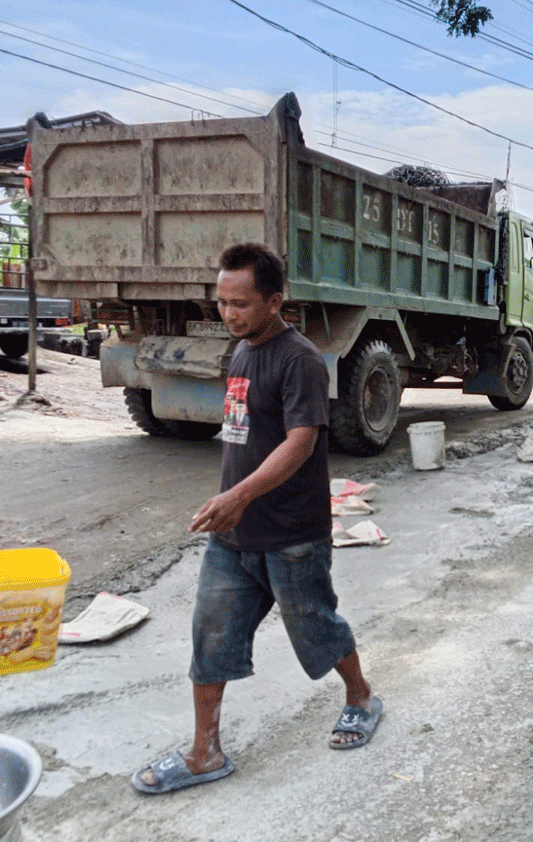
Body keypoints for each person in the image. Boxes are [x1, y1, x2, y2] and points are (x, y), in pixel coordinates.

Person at [132, 242, 381, 796]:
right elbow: (247, 436)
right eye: (221, 302)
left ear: (275, 299)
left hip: (292, 533)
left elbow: (300, 442)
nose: (229, 314)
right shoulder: (241, 353)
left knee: (316, 626)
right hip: (233, 534)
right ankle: (205, 751)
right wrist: (231, 503)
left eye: (241, 303)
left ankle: (361, 696)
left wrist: (240, 494)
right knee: (210, 632)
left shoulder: (300, 360)